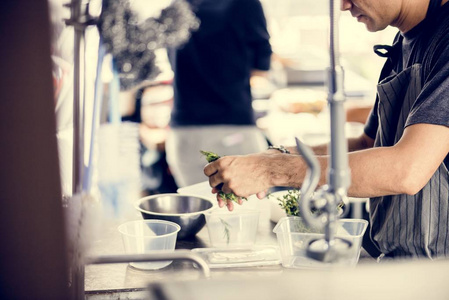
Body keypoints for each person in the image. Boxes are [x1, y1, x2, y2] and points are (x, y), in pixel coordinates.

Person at [204, 0, 449, 259]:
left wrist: (271, 171)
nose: (343, 5)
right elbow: (369, 144)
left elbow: (406, 170)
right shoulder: (403, 45)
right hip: (403, 259)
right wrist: (278, 155)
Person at [166, 0, 272, 188]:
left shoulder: (174, 4)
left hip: (182, 134)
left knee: (197, 211)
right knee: (249, 212)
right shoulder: (245, 4)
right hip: (232, 128)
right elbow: (261, 66)